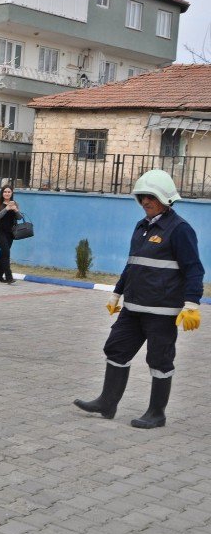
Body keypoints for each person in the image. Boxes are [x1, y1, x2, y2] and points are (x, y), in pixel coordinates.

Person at [74, 169, 203, 429]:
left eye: (151, 197)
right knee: (115, 348)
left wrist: (191, 304)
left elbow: (194, 269)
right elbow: (133, 264)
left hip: (162, 310)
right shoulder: (141, 227)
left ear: (166, 199)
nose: (145, 202)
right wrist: (117, 292)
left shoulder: (179, 230)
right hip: (132, 308)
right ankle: (107, 402)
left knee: (159, 359)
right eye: (142, 196)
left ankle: (157, 413)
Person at [0, 185, 19, 284]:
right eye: (5, 192)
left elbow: (19, 217)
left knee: (3, 254)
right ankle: (9, 277)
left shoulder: (15, 203)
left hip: (10, 234)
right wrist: (6, 208)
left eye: (9, 192)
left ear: (11, 193)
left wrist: (15, 210)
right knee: (6, 253)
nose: (7, 193)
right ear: (2, 193)